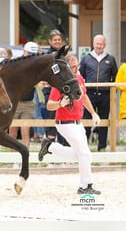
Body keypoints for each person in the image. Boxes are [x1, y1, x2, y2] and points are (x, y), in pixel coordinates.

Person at [38, 54, 101, 195]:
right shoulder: (61, 82)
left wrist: (93, 113)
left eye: (77, 66)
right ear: (66, 67)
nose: (75, 68)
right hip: (65, 123)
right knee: (85, 155)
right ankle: (85, 185)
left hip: (78, 122)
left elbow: (83, 96)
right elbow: (49, 105)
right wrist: (60, 103)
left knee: (84, 156)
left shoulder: (79, 79)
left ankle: (50, 146)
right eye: (72, 67)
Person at [79, 34, 118, 151]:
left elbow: (114, 75)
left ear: (105, 45)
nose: (99, 46)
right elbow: (82, 74)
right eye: (97, 44)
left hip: (105, 95)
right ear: (93, 44)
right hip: (89, 94)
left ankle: (101, 147)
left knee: (104, 121)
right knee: (86, 120)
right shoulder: (86, 58)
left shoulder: (110, 59)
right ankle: (84, 147)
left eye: (101, 44)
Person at [9, 41, 39, 148]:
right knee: (13, 131)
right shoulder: (16, 63)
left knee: (25, 131)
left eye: (33, 54)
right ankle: (13, 160)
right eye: (30, 53)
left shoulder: (36, 65)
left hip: (28, 102)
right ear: (24, 52)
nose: (32, 56)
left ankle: (24, 157)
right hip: (15, 102)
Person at [42, 29, 69, 146]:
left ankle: (64, 151)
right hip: (50, 91)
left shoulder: (64, 54)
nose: (57, 42)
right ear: (50, 41)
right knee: (52, 121)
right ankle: (50, 151)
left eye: (59, 40)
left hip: (64, 91)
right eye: (55, 40)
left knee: (64, 121)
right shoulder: (47, 55)